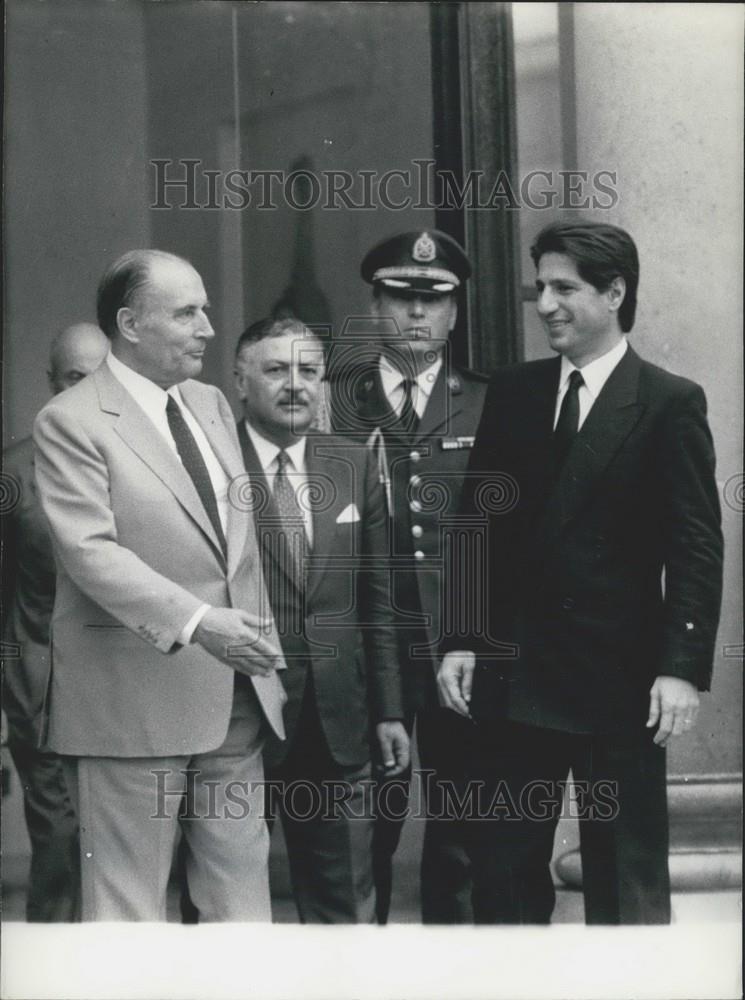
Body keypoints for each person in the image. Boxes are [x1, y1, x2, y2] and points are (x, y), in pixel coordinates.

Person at [438, 221, 724, 924]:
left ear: (614, 292)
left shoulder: (666, 402)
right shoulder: (513, 392)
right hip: (513, 674)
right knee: (503, 878)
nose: (545, 304)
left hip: (619, 680)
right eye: (541, 288)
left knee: (624, 876)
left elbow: (695, 545)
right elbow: (478, 526)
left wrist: (680, 666)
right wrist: (461, 639)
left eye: (564, 288)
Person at [32, 250, 286, 922]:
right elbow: (90, 553)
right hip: (131, 704)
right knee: (127, 915)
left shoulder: (206, 403)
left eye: (204, 308)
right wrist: (203, 622)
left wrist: (260, 646)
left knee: (242, 906)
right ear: (130, 323)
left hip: (235, 695)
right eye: (187, 312)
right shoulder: (72, 421)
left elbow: (236, 545)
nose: (207, 327)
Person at [334, 230, 489, 923]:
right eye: (401, 298)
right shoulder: (335, 403)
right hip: (369, 653)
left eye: (433, 301)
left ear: (454, 314)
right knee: (364, 828)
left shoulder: (489, 402)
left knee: (461, 836)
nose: (417, 315)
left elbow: (498, 539)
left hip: (460, 650)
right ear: (375, 307)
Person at [234, 316, 409, 922]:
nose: (295, 385)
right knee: (226, 900)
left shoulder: (352, 461)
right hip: (240, 714)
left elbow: (378, 602)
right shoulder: (210, 463)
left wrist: (388, 709)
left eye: (309, 371)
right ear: (240, 379)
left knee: (343, 902)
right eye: (276, 369)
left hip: (339, 716)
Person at [2, 322, 109, 921]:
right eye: (74, 378)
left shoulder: (143, 467)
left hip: (125, 692)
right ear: (51, 384)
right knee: (62, 846)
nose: (88, 392)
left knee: (124, 851)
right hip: (41, 695)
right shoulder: (12, 473)